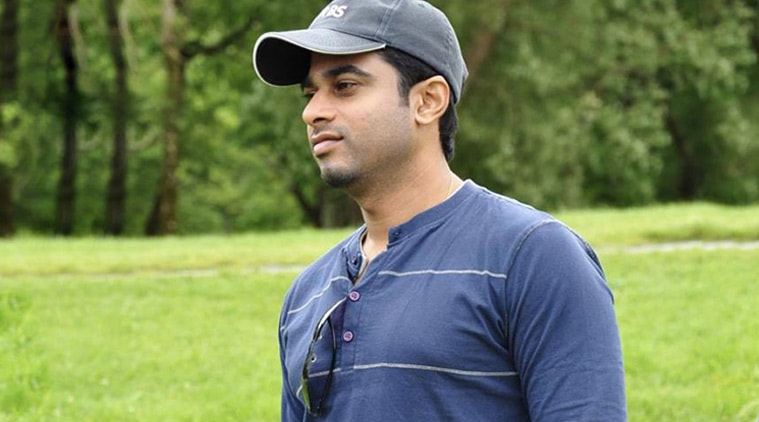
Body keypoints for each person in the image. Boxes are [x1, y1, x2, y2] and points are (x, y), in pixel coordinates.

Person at [252, 0, 627, 420]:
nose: (312, 112)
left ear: (428, 101)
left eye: (345, 86)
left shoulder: (534, 257)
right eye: (310, 93)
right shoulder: (306, 294)